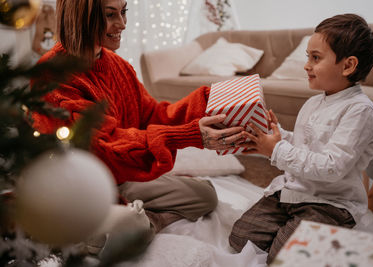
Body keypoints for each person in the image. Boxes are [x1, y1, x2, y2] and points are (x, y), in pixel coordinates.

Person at [32, 0, 245, 241]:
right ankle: (127, 224)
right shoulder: (52, 76)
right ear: (81, 19)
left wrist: (209, 102)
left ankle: (149, 220)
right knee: (131, 229)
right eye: (110, 15)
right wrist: (191, 135)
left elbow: (154, 115)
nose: (122, 24)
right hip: (84, 186)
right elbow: (103, 147)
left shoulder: (119, 66)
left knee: (205, 195)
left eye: (124, 12)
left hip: (122, 175)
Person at [229, 13, 373, 264]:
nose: (306, 65)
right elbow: (304, 145)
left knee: (284, 258)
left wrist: (276, 150)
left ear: (348, 66)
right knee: (240, 239)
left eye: (316, 58)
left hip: (330, 203)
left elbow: (331, 167)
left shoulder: (360, 111)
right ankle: (297, 230)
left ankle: (344, 243)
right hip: (293, 194)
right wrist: (277, 136)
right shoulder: (314, 102)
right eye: (308, 57)